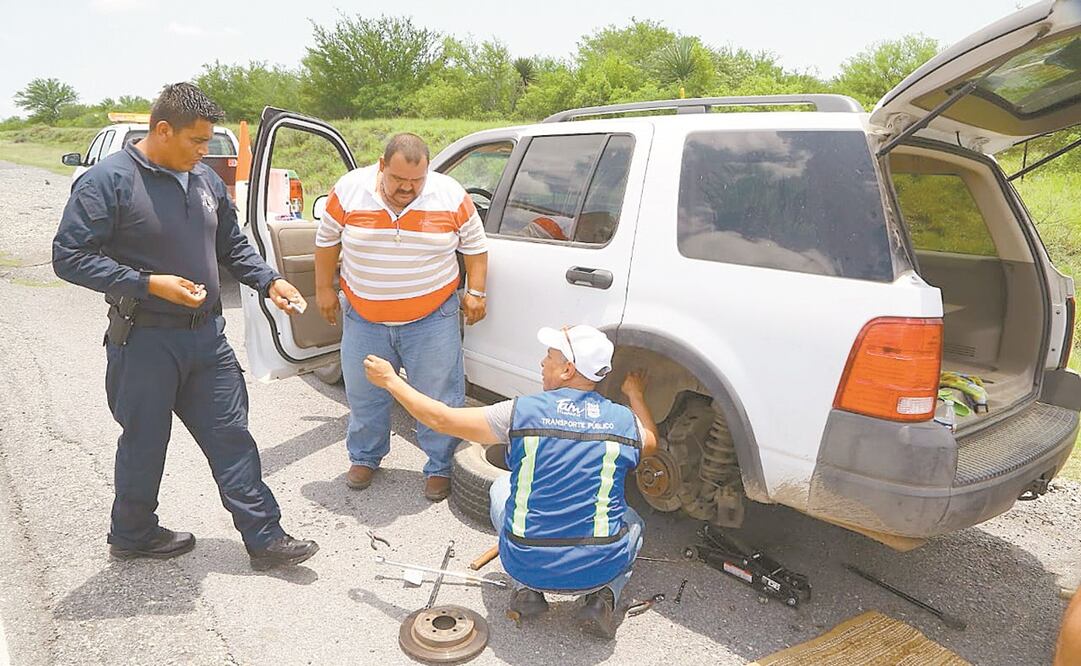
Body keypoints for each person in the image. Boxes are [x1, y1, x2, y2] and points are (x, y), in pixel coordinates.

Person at [52, 82, 318, 571]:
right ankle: (132, 533)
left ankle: (266, 539)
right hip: (144, 341)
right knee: (144, 442)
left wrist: (268, 281)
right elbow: (68, 257)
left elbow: (231, 246)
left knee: (232, 436)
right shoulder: (108, 181)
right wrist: (148, 283)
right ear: (162, 129)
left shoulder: (204, 181)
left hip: (206, 339)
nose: (204, 152)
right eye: (197, 141)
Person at [364, 324, 658, 639]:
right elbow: (652, 440)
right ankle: (604, 599)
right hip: (596, 569)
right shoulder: (624, 422)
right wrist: (634, 394)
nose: (542, 363)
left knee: (501, 488)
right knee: (632, 520)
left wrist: (392, 381)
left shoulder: (521, 412)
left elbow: (441, 419)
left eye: (549, 357)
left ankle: (527, 591)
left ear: (567, 370)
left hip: (527, 563)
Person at [314, 133, 489, 502]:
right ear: (381, 166)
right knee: (364, 394)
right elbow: (326, 241)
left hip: (431, 317)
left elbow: (475, 246)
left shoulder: (450, 194)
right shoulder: (348, 190)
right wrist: (325, 290)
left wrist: (476, 292)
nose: (408, 189)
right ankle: (365, 457)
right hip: (364, 317)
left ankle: (440, 465)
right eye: (398, 181)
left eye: (416, 182)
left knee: (438, 394)